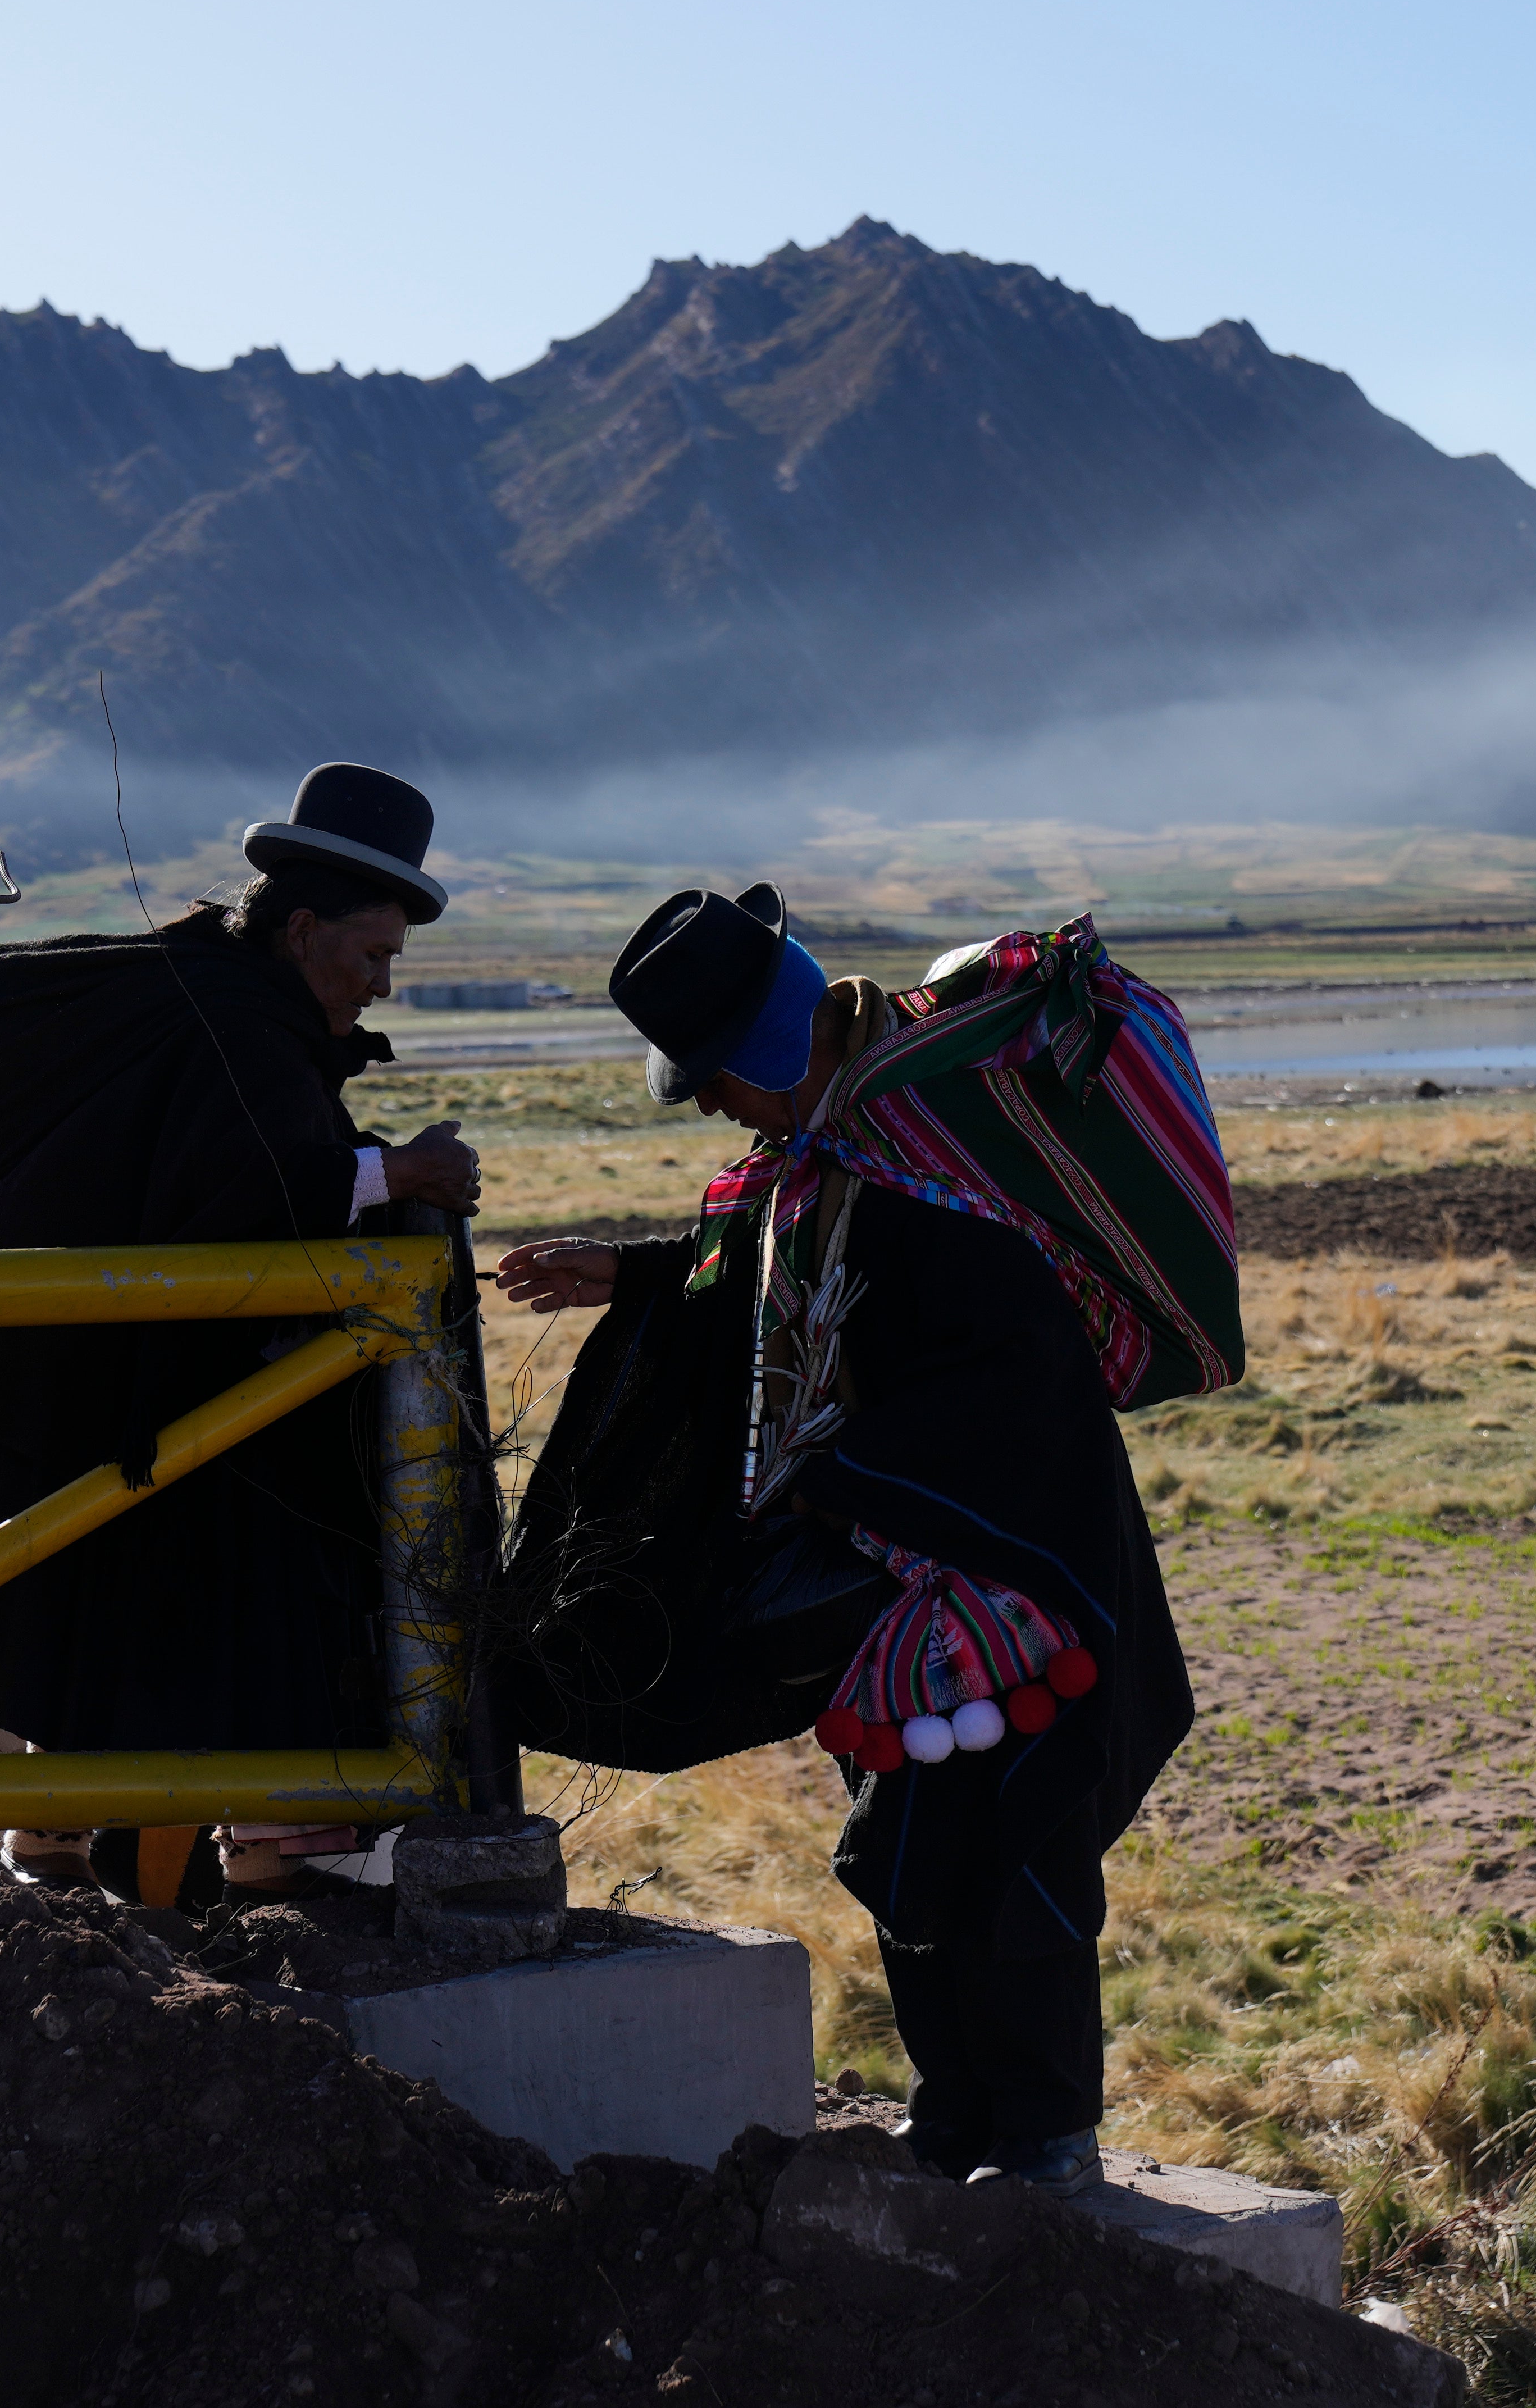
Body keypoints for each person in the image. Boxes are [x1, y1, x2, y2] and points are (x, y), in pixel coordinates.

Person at [495, 882, 1236, 2196]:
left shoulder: (918, 1157)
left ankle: (1047, 2140)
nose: (715, 1107)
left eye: (718, 1077)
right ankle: (957, 2112)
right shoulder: (844, 1150)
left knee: (1014, 1842)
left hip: (1013, 1573)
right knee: (913, 1825)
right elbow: (787, 1283)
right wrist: (641, 1272)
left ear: (772, 1051)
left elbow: (1002, 1374)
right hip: (905, 1570)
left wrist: (853, 1488)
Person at [0, 762, 480, 1897]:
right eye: (374, 956)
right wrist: (397, 1170)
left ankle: (58, 1856)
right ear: (303, 929)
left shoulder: (191, 990)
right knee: (228, 1601)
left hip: (53, 1376)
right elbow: (234, 1184)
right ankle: (253, 1863)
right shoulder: (240, 1025)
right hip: (90, 1385)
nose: (383, 986)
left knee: (80, 1621)